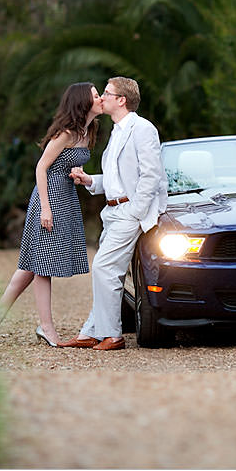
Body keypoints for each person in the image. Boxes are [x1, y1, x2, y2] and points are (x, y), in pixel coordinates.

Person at [0, 82, 103, 346]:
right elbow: (41, 168)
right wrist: (46, 208)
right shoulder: (66, 133)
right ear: (83, 101)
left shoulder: (87, 131)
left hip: (67, 197)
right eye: (96, 95)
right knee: (43, 266)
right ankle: (46, 328)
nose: (101, 98)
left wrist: (80, 176)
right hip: (49, 199)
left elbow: (69, 165)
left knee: (31, 265)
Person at [61, 76, 168, 351]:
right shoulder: (117, 131)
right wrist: (90, 181)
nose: (102, 98)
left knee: (104, 268)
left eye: (107, 93)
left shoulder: (143, 129)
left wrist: (134, 211)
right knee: (107, 271)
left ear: (121, 100)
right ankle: (92, 331)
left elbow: (151, 175)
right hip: (113, 211)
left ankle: (113, 335)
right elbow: (116, 178)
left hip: (129, 213)